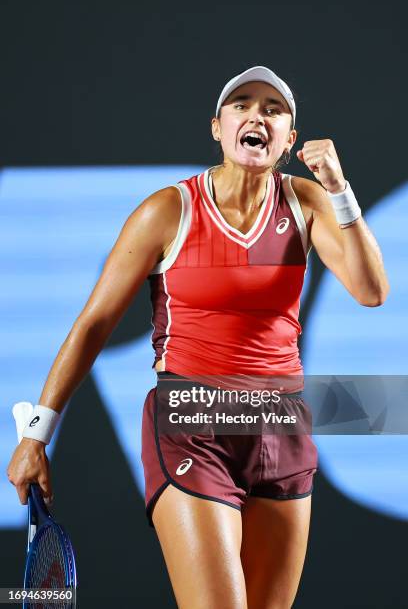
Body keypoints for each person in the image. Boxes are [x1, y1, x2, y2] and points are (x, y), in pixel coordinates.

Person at [7, 66, 389, 608]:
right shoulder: (169, 210)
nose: (258, 114)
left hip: (280, 424)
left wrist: (340, 189)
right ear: (218, 127)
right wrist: (36, 435)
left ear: (290, 139)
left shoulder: (306, 201)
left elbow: (372, 291)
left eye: (274, 109)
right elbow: (93, 324)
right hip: (190, 424)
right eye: (242, 104)